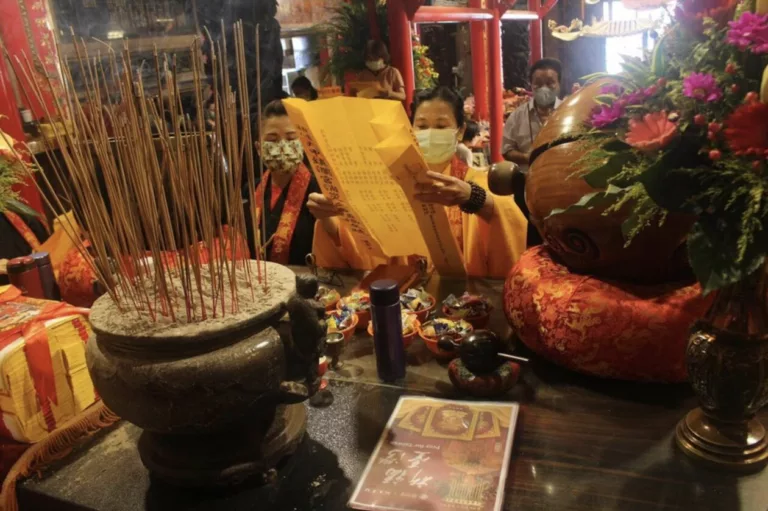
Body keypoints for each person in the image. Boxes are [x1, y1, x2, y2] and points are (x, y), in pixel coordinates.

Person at [307, 86, 527, 278]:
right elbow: (368, 254)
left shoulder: (477, 182)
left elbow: (510, 223)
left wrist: (474, 198)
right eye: (421, 126)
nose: (430, 133)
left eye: (441, 126)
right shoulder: (391, 185)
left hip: (466, 300)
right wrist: (329, 220)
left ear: (459, 131)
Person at [244, 100, 321, 266]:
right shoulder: (250, 190)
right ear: (258, 148)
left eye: (291, 138)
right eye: (272, 140)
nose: (282, 146)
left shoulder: (318, 192)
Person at [502, 58, 563, 173]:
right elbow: (506, 151)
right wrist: (526, 158)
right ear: (531, 85)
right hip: (528, 182)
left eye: (550, 83)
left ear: (559, 84)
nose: (544, 88)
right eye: (538, 84)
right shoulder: (517, 117)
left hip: (561, 179)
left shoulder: (568, 112)